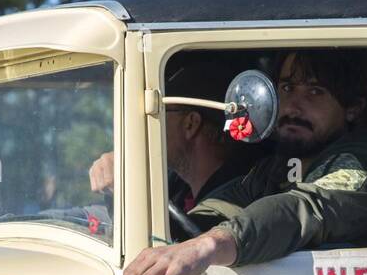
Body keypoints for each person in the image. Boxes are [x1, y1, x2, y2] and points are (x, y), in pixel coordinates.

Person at [122, 48, 367, 275]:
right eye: (287, 88)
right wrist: (180, 236)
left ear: (353, 108)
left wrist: (208, 246)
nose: (293, 105)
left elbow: (299, 210)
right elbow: (229, 204)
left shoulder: (364, 168)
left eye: (315, 91)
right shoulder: (283, 165)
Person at [87, 56, 260, 238]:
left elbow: (183, 245)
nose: (151, 125)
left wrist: (129, 190)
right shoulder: (178, 189)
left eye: (161, 113)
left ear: (191, 124)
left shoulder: (238, 197)